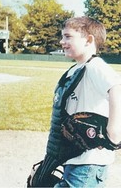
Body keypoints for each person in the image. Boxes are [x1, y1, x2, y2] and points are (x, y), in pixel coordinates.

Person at [49, 16, 121, 187]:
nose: (62, 41)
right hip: (75, 158)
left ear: (89, 40)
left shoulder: (95, 66)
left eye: (68, 36)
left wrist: (114, 131)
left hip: (88, 162)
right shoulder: (77, 68)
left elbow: (117, 88)